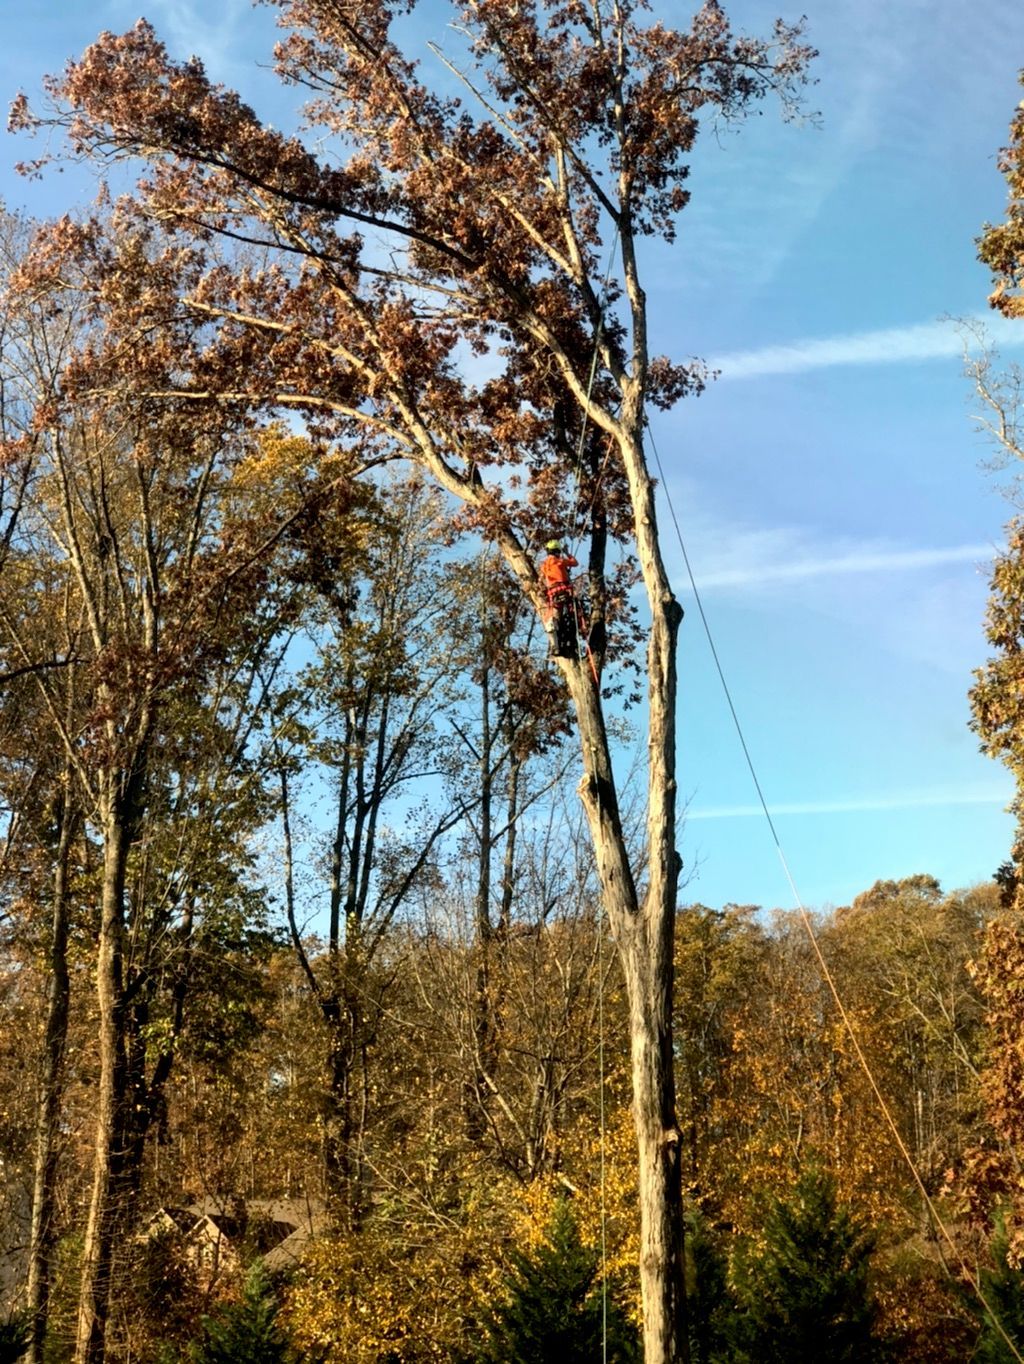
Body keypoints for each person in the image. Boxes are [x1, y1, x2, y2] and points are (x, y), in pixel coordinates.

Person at [539, 540, 579, 658]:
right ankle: (570, 640)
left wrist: (541, 590)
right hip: (565, 591)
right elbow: (575, 563)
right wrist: (567, 553)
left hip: (553, 594)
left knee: (551, 620)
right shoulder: (560, 561)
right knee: (572, 616)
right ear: (557, 551)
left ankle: (555, 646)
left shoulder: (544, 565)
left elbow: (541, 579)